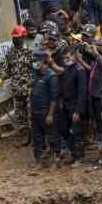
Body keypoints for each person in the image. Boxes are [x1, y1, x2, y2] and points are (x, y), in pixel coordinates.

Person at [28, 33, 66, 163]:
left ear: (44, 62)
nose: (35, 65)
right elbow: (32, 93)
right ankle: (40, 159)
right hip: (35, 112)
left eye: (37, 62)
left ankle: (57, 157)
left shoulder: (51, 76)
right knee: (37, 137)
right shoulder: (35, 75)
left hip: (47, 112)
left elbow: (54, 97)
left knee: (52, 136)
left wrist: (50, 114)